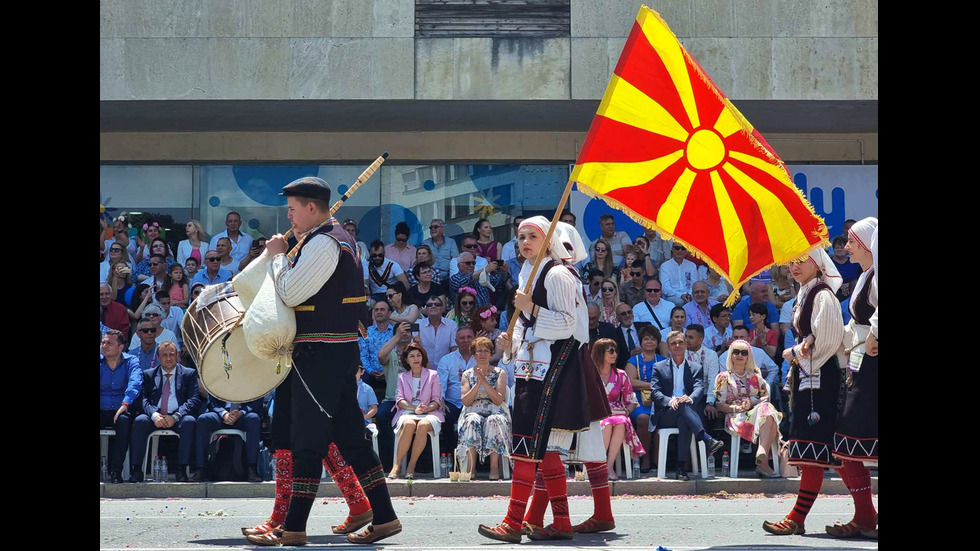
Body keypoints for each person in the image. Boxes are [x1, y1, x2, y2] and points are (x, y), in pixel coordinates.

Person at [251, 177, 399, 545]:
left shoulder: (324, 243)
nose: (288, 215)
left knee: (307, 440)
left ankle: (294, 528)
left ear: (312, 208)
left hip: (321, 354)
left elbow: (288, 292)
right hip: (332, 353)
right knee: (351, 439)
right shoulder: (330, 239)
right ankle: (385, 518)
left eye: (292, 208)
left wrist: (277, 255)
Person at [478, 216, 593, 543]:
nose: (524, 242)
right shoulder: (528, 273)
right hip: (531, 369)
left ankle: (514, 522)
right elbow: (527, 329)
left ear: (548, 240)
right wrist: (510, 342)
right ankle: (562, 522)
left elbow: (568, 326)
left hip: (551, 372)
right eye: (520, 236)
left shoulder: (557, 274)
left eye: (532, 236)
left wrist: (532, 309)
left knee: (526, 445)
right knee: (547, 450)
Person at [763, 249, 845, 536]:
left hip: (821, 378)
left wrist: (794, 352)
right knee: (831, 450)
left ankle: (796, 517)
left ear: (818, 262)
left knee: (814, 448)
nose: (793, 267)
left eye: (800, 261)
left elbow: (828, 340)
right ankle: (866, 513)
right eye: (790, 262)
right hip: (809, 376)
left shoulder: (822, 295)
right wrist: (801, 350)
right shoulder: (805, 293)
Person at [827, 217, 878, 539]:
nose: (846, 248)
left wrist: (875, 333)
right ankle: (865, 516)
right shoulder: (865, 277)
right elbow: (852, 328)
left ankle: (866, 517)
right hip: (860, 365)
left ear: (866, 243)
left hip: (873, 365)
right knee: (844, 445)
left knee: (848, 442)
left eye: (851, 242)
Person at [648, 331, 725, 480]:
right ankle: (707, 439)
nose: (677, 346)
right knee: (682, 407)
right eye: (673, 343)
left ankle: (681, 469)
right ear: (668, 347)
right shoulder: (659, 367)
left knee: (684, 418)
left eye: (680, 342)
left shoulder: (695, 367)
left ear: (685, 345)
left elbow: (699, 388)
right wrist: (671, 401)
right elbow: (655, 392)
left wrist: (689, 399)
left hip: (686, 411)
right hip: (666, 413)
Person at [129, 341, 200, 482]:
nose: (168, 358)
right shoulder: (148, 375)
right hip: (155, 416)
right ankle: (136, 470)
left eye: (172, 354)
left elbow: (194, 400)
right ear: (158, 358)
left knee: (190, 421)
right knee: (140, 421)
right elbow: (142, 400)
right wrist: (154, 415)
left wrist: (176, 416)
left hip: (178, 416)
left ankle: (181, 469)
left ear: (178, 355)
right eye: (164, 355)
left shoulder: (188, 374)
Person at [713, 340, 782, 477]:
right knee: (770, 415)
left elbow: (765, 397)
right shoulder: (723, 377)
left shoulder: (756, 376)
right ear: (730, 355)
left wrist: (752, 403)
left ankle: (762, 452)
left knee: (767, 408)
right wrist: (736, 408)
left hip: (757, 411)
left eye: (744, 352)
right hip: (735, 416)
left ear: (748, 356)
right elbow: (719, 404)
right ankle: (762, 460)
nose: (740, 355)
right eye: (736, 352)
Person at [458, 336, 511, 479]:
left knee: (494, 420)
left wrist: (485, 383)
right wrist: (477, 384)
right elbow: (466, 401)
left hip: (495, 410)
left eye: (486, 351)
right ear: (474, 354)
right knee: (472, 420)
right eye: (478, 351)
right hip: (473, 410)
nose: (482, 354)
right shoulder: (467, 374)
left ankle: (494, 467)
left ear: (491, 353)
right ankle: (471, 467)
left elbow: (499, 400)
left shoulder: (500, 373)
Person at [389, 343, 444, 479]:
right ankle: (397, 465)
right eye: (412, 356)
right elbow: (399, 399)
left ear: (423, 357)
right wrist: (415, 409)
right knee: (409, 424)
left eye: (419, 355)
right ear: (407, 360)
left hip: (429, 412)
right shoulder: (402, 377)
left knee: (423, 425)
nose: (416, 358)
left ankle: (411, 465)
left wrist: (426, 408)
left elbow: (437, 400)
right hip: (408, 411)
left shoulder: (433, 375)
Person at [593, 339, 643, 480]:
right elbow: (584, 400)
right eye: (611, 351)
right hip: (597, 414)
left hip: (618, 413)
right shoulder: (590, 375)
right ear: (600, 353)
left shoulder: (621, 374)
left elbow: (632, 400)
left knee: (621, 421)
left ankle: (608, 466)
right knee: (607, 423)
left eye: (615, 351)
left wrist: (626, 411)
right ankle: (600, 465)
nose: (615, 354)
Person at [100, 330, 142, 483]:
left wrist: (125, 403)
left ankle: (116, 471)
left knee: (124, 422)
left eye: (109, 343)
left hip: (121, 408)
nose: (104, 346)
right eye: (103, 342)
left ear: (121, 347)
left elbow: (135, 383)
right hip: (101, 408)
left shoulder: (131, 361)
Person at [193, 396, 264, 482]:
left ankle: (251, 469)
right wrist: (224, 414)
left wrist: (242, 412)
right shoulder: (216, 381)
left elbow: (258, 401)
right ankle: (201, 469)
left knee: (254, 418)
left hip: (244, 414)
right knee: (203, 419)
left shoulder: (254, 382)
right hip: (221, 414)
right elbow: (212, 401)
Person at [375, 319, 415, 470]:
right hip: (392, 400)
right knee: (381, 416)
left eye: (407, 331)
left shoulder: (417, 354)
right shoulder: (390, 353)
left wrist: (418, 345)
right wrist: (397, 337)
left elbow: (428, 370)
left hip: (414, 401)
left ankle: (417, 464)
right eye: (401, 331)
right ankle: (387, 463)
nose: (404, 333)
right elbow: (380, 357)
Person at [624, 325, 663, 472]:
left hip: (658, 401)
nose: (649, 342)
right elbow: (630, 382)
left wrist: (647, 385)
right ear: (640, 342)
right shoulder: (633, 361)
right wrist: (652, 385)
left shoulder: (663, 360)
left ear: (658, 343)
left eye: (653, 339)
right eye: (646, 339)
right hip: (638, 401)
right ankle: (644, 457)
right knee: (643, 418)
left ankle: (657, 458)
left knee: (662, 418)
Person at [436, 325, 477, 456]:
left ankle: (476, 460)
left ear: (474, 339)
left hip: (474, 402)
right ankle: (453, 455)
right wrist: (441, 401)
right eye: (462, 338)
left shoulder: (480, 359)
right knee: (445, 417)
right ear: (456, 341)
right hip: (452, 403)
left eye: (469, 337)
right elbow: (440, 384)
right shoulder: (446, 360)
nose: (466, 340)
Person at [685, 324, 721, 420]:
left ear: (700, 340)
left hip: (705, 394)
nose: (687, 340)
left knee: (708, 412)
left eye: (690, 337)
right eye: (686, 336)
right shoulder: (680, 353)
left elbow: (713, 380)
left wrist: (710, 403)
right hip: (686, 394)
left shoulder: (711, 355)